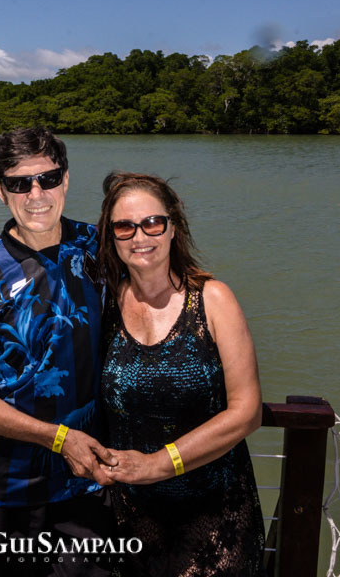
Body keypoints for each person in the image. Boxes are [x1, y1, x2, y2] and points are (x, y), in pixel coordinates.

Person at [0, 127, 117, 577]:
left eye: (48, 179)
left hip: (89, 483)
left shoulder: (99, 248)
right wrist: (57, 438)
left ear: (66, 180)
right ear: (0, 191)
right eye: (19, 183)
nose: (37, 194)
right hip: (8, 490)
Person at [95, 171, 267, 576]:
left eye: (153, 222)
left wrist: (158, 464)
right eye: (125, 226)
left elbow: (247, 412)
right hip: (132, 518)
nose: (141, 237)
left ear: (173, 228)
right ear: (111, 237)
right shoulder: (104, 303)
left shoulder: (212, 299)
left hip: (215, 515)